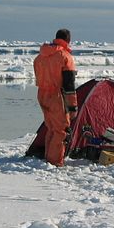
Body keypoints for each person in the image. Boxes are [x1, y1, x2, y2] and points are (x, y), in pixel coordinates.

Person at [33, 28, 77, 167]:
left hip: (42, 94)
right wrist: (72, 106)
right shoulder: (65, 56)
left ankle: (49, 157)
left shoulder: (40, 56)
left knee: (51, 127)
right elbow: (69, 84)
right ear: (68, 40)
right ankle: (55, 161)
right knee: (61, 129)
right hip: (57, 95)